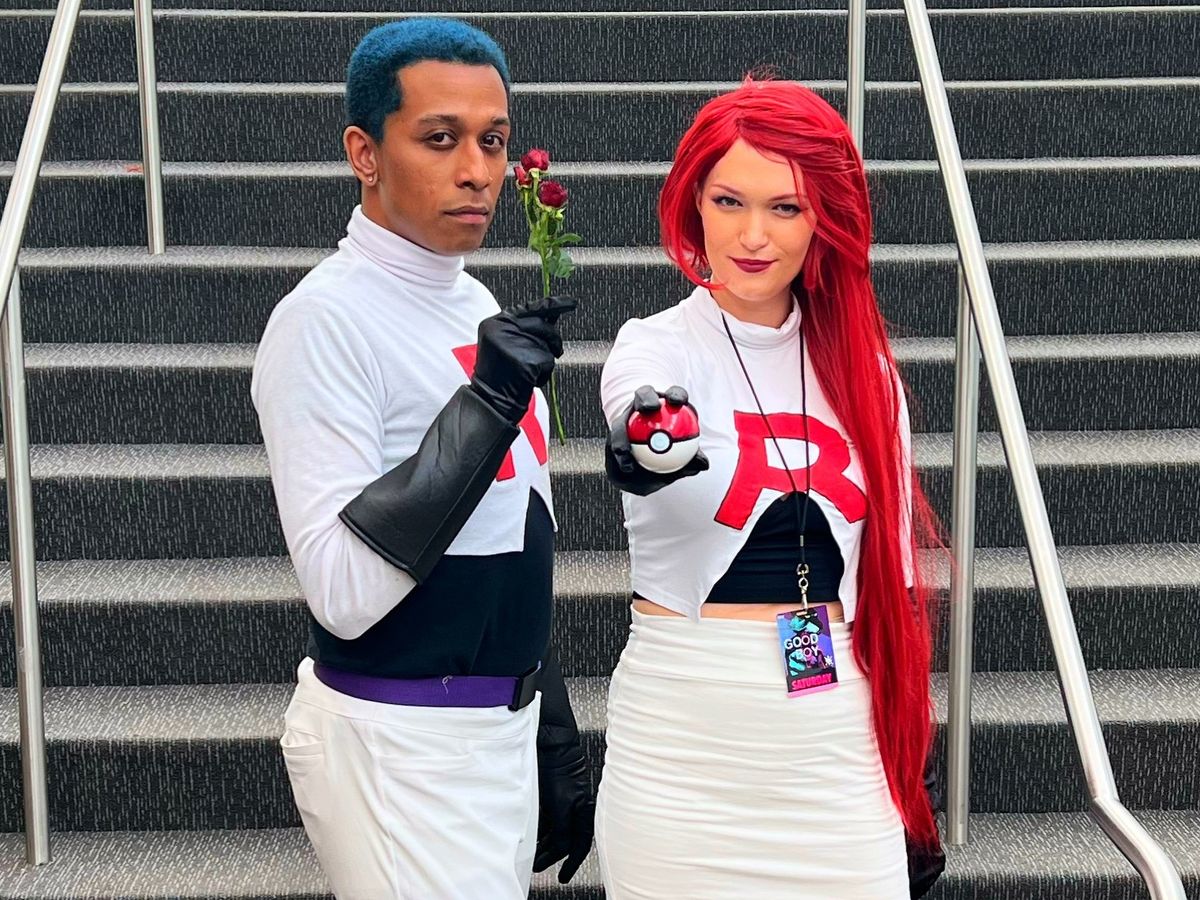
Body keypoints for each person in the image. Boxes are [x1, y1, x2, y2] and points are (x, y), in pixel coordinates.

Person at [251, 19, 593, 899]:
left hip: (492, 734)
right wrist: (483, 411)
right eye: (440, 139)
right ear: (364, 153)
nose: (477, 170)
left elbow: (511, 526)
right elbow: (341, 591)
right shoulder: (322, 321)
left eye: (494, 140)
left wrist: (544, 707)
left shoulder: (473, 299)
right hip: (398, 743)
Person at [595, 78, 945, 898]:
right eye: (729, 201)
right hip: (682, 743)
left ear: (824, 218)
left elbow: (892, 579)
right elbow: (637, 421)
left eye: (785, 207)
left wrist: (912, 758)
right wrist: (651, 441)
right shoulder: (654, 348)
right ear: (694, 204)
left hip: (834, 746)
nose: (753, 235)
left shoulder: (865, 371)